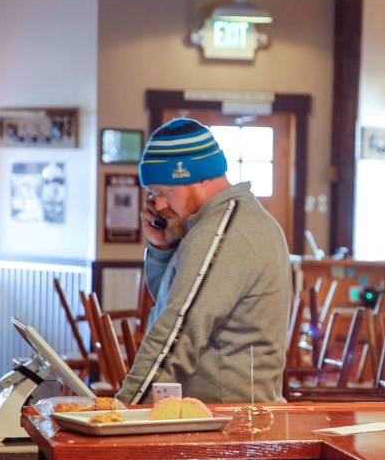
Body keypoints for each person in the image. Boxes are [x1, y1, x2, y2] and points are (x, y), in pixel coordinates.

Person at [116, 118, 291, 405]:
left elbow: (176, 331)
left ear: (201, 177)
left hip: (229, 426)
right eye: (152, 194)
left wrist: (122, 412)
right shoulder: (217, 224)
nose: (157, 205)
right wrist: (163, 249)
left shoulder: (223, 232)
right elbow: (172, 303)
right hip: (221, 417)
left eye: (165, 192)